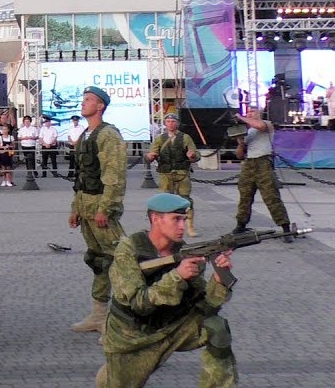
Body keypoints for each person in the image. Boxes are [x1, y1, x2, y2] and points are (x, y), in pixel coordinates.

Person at [97, 193, 236, 388]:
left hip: (173, 327)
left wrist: (219, 281)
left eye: (184, 219)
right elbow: (139, 304)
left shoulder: (186, 252)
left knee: (216, 327)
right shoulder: (128, 250)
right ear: (156, 219)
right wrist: (177, 276)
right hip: (133, 337)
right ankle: (112, 373)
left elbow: (205, 307)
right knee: (117, 383)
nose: (182, 227)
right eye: (176, 219)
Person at [68, 86, 128, 334]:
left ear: (100, 105)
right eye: (83, 99)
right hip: (86, 207)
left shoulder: (108, 135)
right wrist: (75, 208)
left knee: (122, 261)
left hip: (100, 208)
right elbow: (82, 176)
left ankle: (125, 322)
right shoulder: (86, 135)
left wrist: (106, 207)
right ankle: (99, 316)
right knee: (99, 261)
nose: (83, 103)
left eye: (88, 100)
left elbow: (114, 176)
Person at [232, 109, 293, 239]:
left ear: (259, 114)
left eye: (253, 111)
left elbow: (259, 126)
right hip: (249, 163)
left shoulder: (266, 124)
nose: (249, 113)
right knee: (245, 196)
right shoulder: (247, 132)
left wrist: (240, 117)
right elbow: (240, 155)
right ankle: (241, 224)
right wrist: (241, 143)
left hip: (263, 161)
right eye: (248, 112)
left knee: (271, 196)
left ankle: (285, 226)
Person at [146, 113, 200, 236]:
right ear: (165, 124)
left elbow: (196, 154)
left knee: (186, 200)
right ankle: (165, 225)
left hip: (182, 172)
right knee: (165, 200)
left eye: (173, 121)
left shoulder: (185, 138)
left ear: (177, 123)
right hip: (165, 173)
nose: (171, 123)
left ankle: (190, 226)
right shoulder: (160, 138)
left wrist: (192, 156)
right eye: (168, 121)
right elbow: (151, 153)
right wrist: (150, 156)